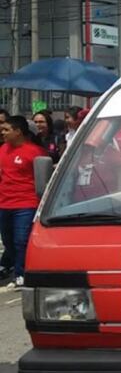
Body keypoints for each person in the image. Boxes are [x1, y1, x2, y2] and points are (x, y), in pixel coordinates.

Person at [0, 116, 48, 287]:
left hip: (26, 203)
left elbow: (43, 177)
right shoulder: (2, 149)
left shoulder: (35, 152)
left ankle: (21, 273)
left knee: (21, 240)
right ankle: (15, 266)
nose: (3, 132)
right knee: (8, 240)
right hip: (4, 203)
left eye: (6, 129)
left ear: (18, 131)